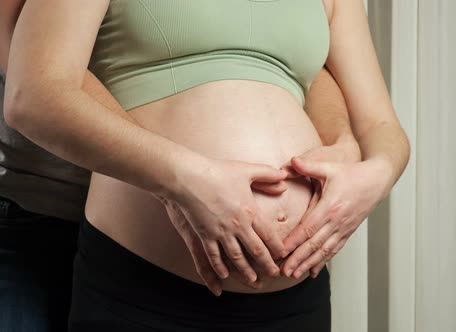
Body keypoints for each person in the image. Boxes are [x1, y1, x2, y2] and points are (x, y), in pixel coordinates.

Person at [3, 0, 410, 331]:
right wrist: (183, 181)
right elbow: (33, 94)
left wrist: (375, 176)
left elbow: (380, 124)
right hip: (144, 288)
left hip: (297, 298)